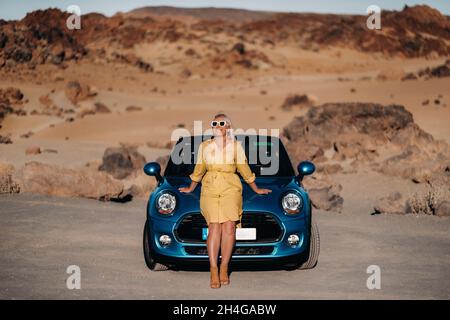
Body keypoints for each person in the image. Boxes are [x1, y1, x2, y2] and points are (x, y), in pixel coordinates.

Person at [179, 113, 271, 288]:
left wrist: (256, 188)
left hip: (231, 187)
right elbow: (199, 168)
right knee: (214, 227)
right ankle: (213, 269)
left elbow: (244, 168)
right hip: (210, 188)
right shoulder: (205, 146)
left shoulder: (236, 146)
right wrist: (191, 187)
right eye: (215, 123)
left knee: (229, 227)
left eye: (222, 123)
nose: (218, 126)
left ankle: (224, 266)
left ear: (228, 127)